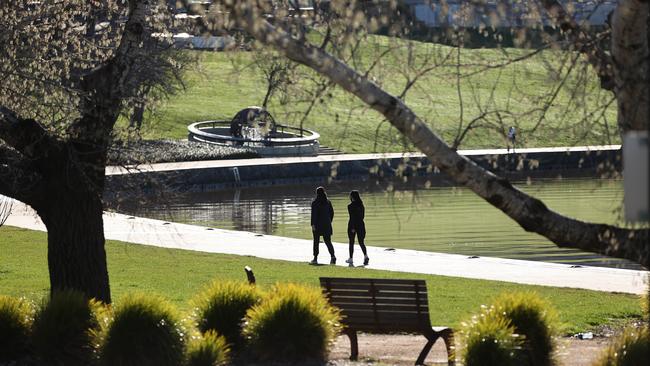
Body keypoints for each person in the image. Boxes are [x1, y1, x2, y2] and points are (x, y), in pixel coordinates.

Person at [310, 186, 336, 265]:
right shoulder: (328, 202)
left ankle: (315, 258)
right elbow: (332, 213)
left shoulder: (315, 202)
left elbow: (313, 215)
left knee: (316, 242)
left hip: (317, 225)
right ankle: (333, 256)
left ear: (317, 193)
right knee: (328, 241)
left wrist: (313, 224)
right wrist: (329, 221)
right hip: (327, 224)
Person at [345, 190, 369, 266]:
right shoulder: (361, 206)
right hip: (361, 225)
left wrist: (353, 227)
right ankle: (365, 256)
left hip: (352, 226)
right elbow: (362, 217)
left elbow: (352, 217)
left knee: (351, 242)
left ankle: (351, 258)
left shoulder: (350, 206)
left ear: (352, 197)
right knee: (361, 242)